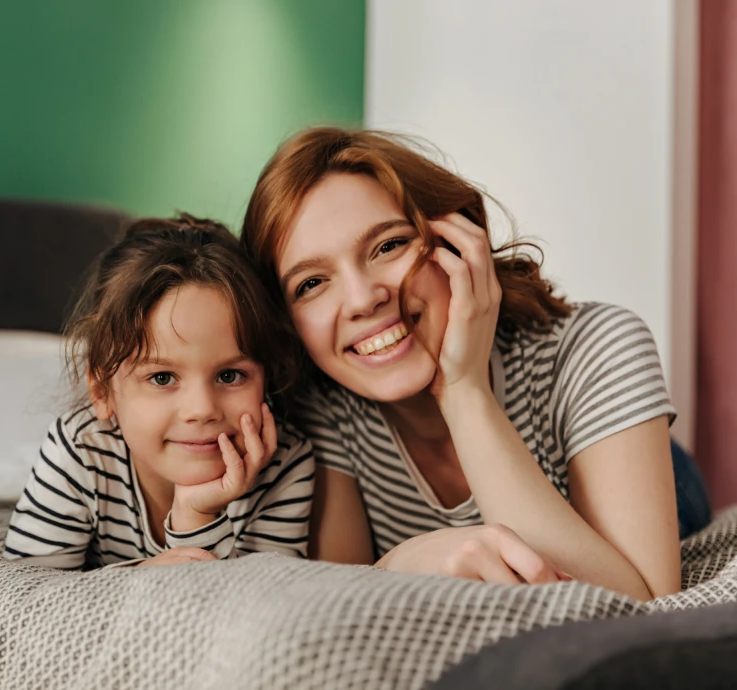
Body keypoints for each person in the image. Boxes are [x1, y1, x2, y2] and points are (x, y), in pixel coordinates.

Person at [240, 127, 711, 600]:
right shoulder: (324, 409)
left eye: (388, 246)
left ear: (459, 242)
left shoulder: (599, 346)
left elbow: (639, 602)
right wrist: (402, 563)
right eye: (311, 284)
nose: (364, 299)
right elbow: (339, 597)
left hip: (641, 463)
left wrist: (462, 388)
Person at [4, 215, 314, 570]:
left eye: (230, 375)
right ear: (103, 392)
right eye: (163, 378)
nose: (201, 410)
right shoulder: (83, 448)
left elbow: (256, 611)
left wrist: (196, 514)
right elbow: (27, 598)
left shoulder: (284, 465)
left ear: (267, 377)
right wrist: (142, 576)